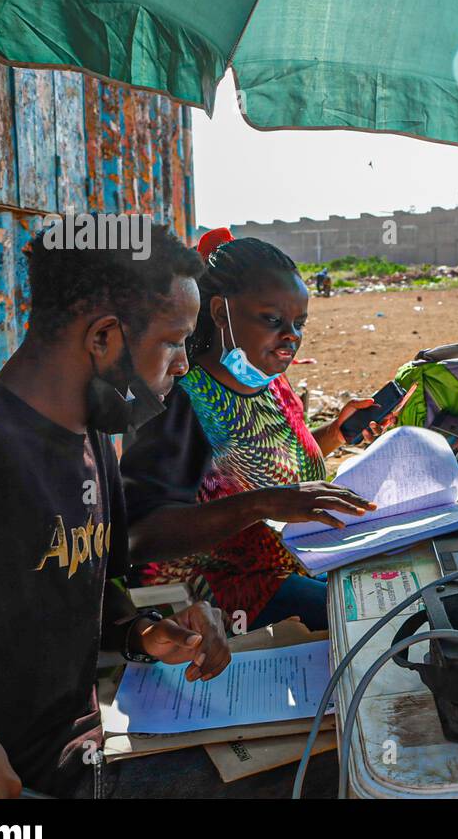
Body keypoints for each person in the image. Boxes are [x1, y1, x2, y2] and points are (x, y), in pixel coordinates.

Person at [0, 220, 230, 799]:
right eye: (174, 341)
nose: (183, 366)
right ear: (104, 338)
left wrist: (145, 632)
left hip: (83, 767)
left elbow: (80, 604)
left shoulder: (93, 437)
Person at [121, 235, 384, 634]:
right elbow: (141, 537)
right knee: (372, 619)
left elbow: (256, 462)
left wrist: (334, 434)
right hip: (222, 597)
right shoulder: (180, 400)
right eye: (273, 320)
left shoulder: (268, 381)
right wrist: (258, 506)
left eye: (299, 324)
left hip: (298, 560)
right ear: (220, 312)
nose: (292, 337)